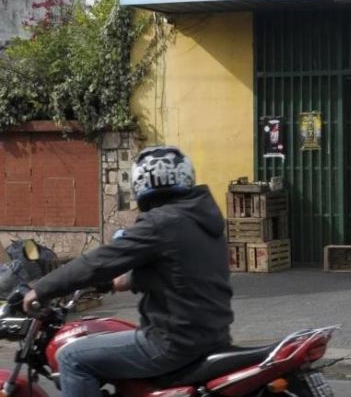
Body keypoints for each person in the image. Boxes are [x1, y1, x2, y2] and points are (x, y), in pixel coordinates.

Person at [23, 146, 234, 397]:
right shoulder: (201, 219)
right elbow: (183, 271)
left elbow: (98, 261)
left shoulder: (160, 222)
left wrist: (41, 288)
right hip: (211, 335)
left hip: (174, 343)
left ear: (141, 182)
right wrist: (125, 281)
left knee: (71, 357)